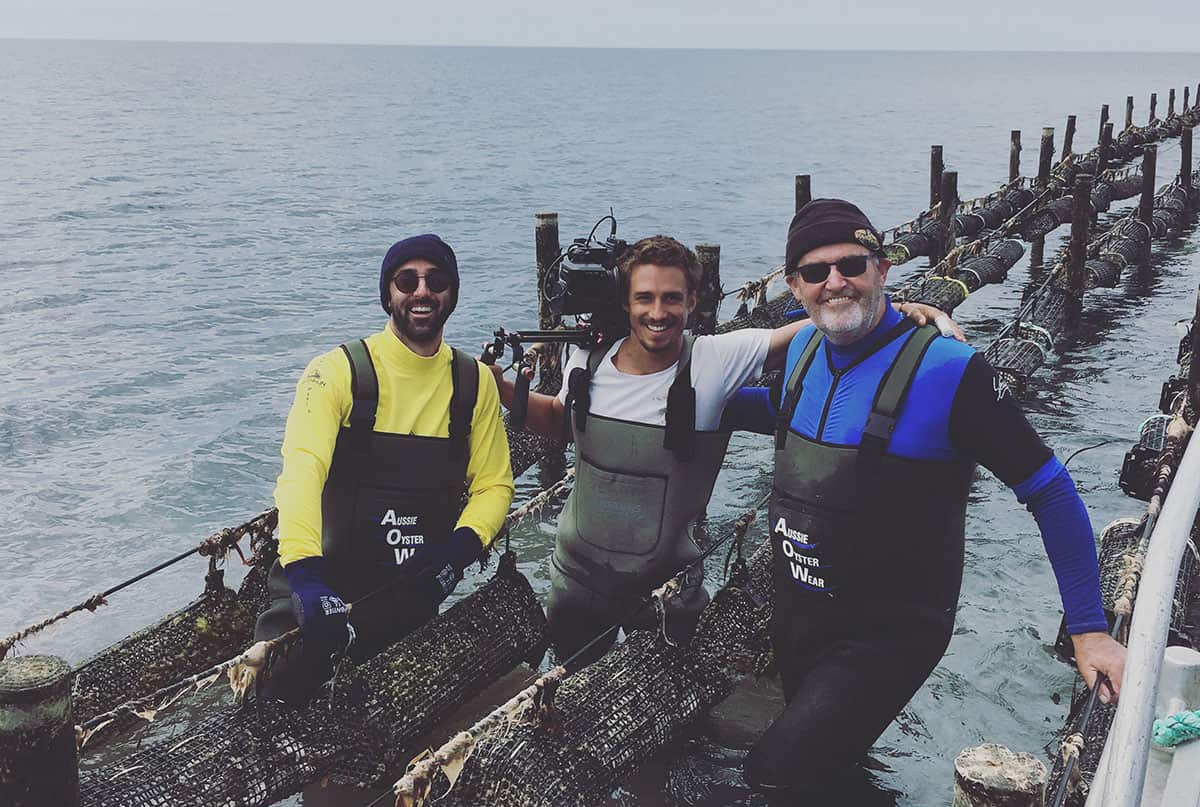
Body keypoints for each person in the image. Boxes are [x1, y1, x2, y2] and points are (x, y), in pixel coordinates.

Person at [721, 199, 1127, 791]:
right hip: (801, 614)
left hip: (888, 632)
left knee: (773, 777)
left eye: (852, 264)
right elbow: (787, 415)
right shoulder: (804, 354)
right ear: (794, 286)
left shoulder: (949, 369)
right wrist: (675, 391)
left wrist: (1088, 629)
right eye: (815, 272)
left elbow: (1050, 489)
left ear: (883, 268)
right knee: (826, 774)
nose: (835, 282)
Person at [492, 235, 956, 668]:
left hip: (667, 596)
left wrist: (895, 309)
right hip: (575, 582)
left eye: (672, 298)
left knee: (661, 721)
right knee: (568, 696)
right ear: (624, 302)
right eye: (644, 298)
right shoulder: (586, 359)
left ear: (693, 302)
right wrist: (498, 386)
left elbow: (819, 326)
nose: (659, 313)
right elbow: (557, 420)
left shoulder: (716, 359)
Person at [256, 234, 514, 702]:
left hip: (410, 598)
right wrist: (306, 577)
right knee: (273, 702)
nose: (421, 292)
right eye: (405, 280)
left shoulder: (474, 383)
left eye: (436, 280)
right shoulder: (334, 372)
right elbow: (302, 473)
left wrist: (459, 551)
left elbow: (494, 484)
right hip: (319, 593)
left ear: (452, 293)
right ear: (387, 294)